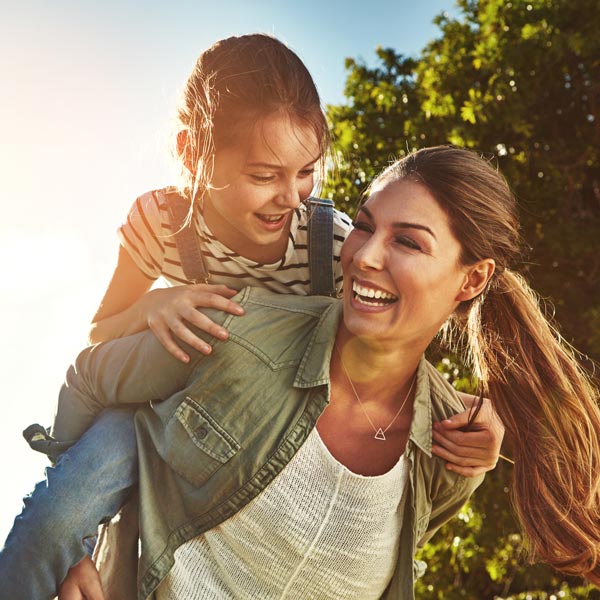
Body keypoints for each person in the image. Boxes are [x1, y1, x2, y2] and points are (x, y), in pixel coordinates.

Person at [0, 35, 502, 599]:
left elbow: (388, 348)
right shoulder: (161, 222)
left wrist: (471, 432)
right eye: (264, 175)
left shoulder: (332, 243)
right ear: (194, 154)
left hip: (260, 420)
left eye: (306, 172)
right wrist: (153, 305)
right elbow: (101, 333)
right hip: (156, 405)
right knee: (55, 519)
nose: (290, 197)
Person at [29, 146, 600, 600]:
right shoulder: (237, 328)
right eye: (364, 225)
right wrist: (68, 538)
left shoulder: (453, 444)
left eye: (406, 241)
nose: (365, 256)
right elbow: (89, 377)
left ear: (472, 280)